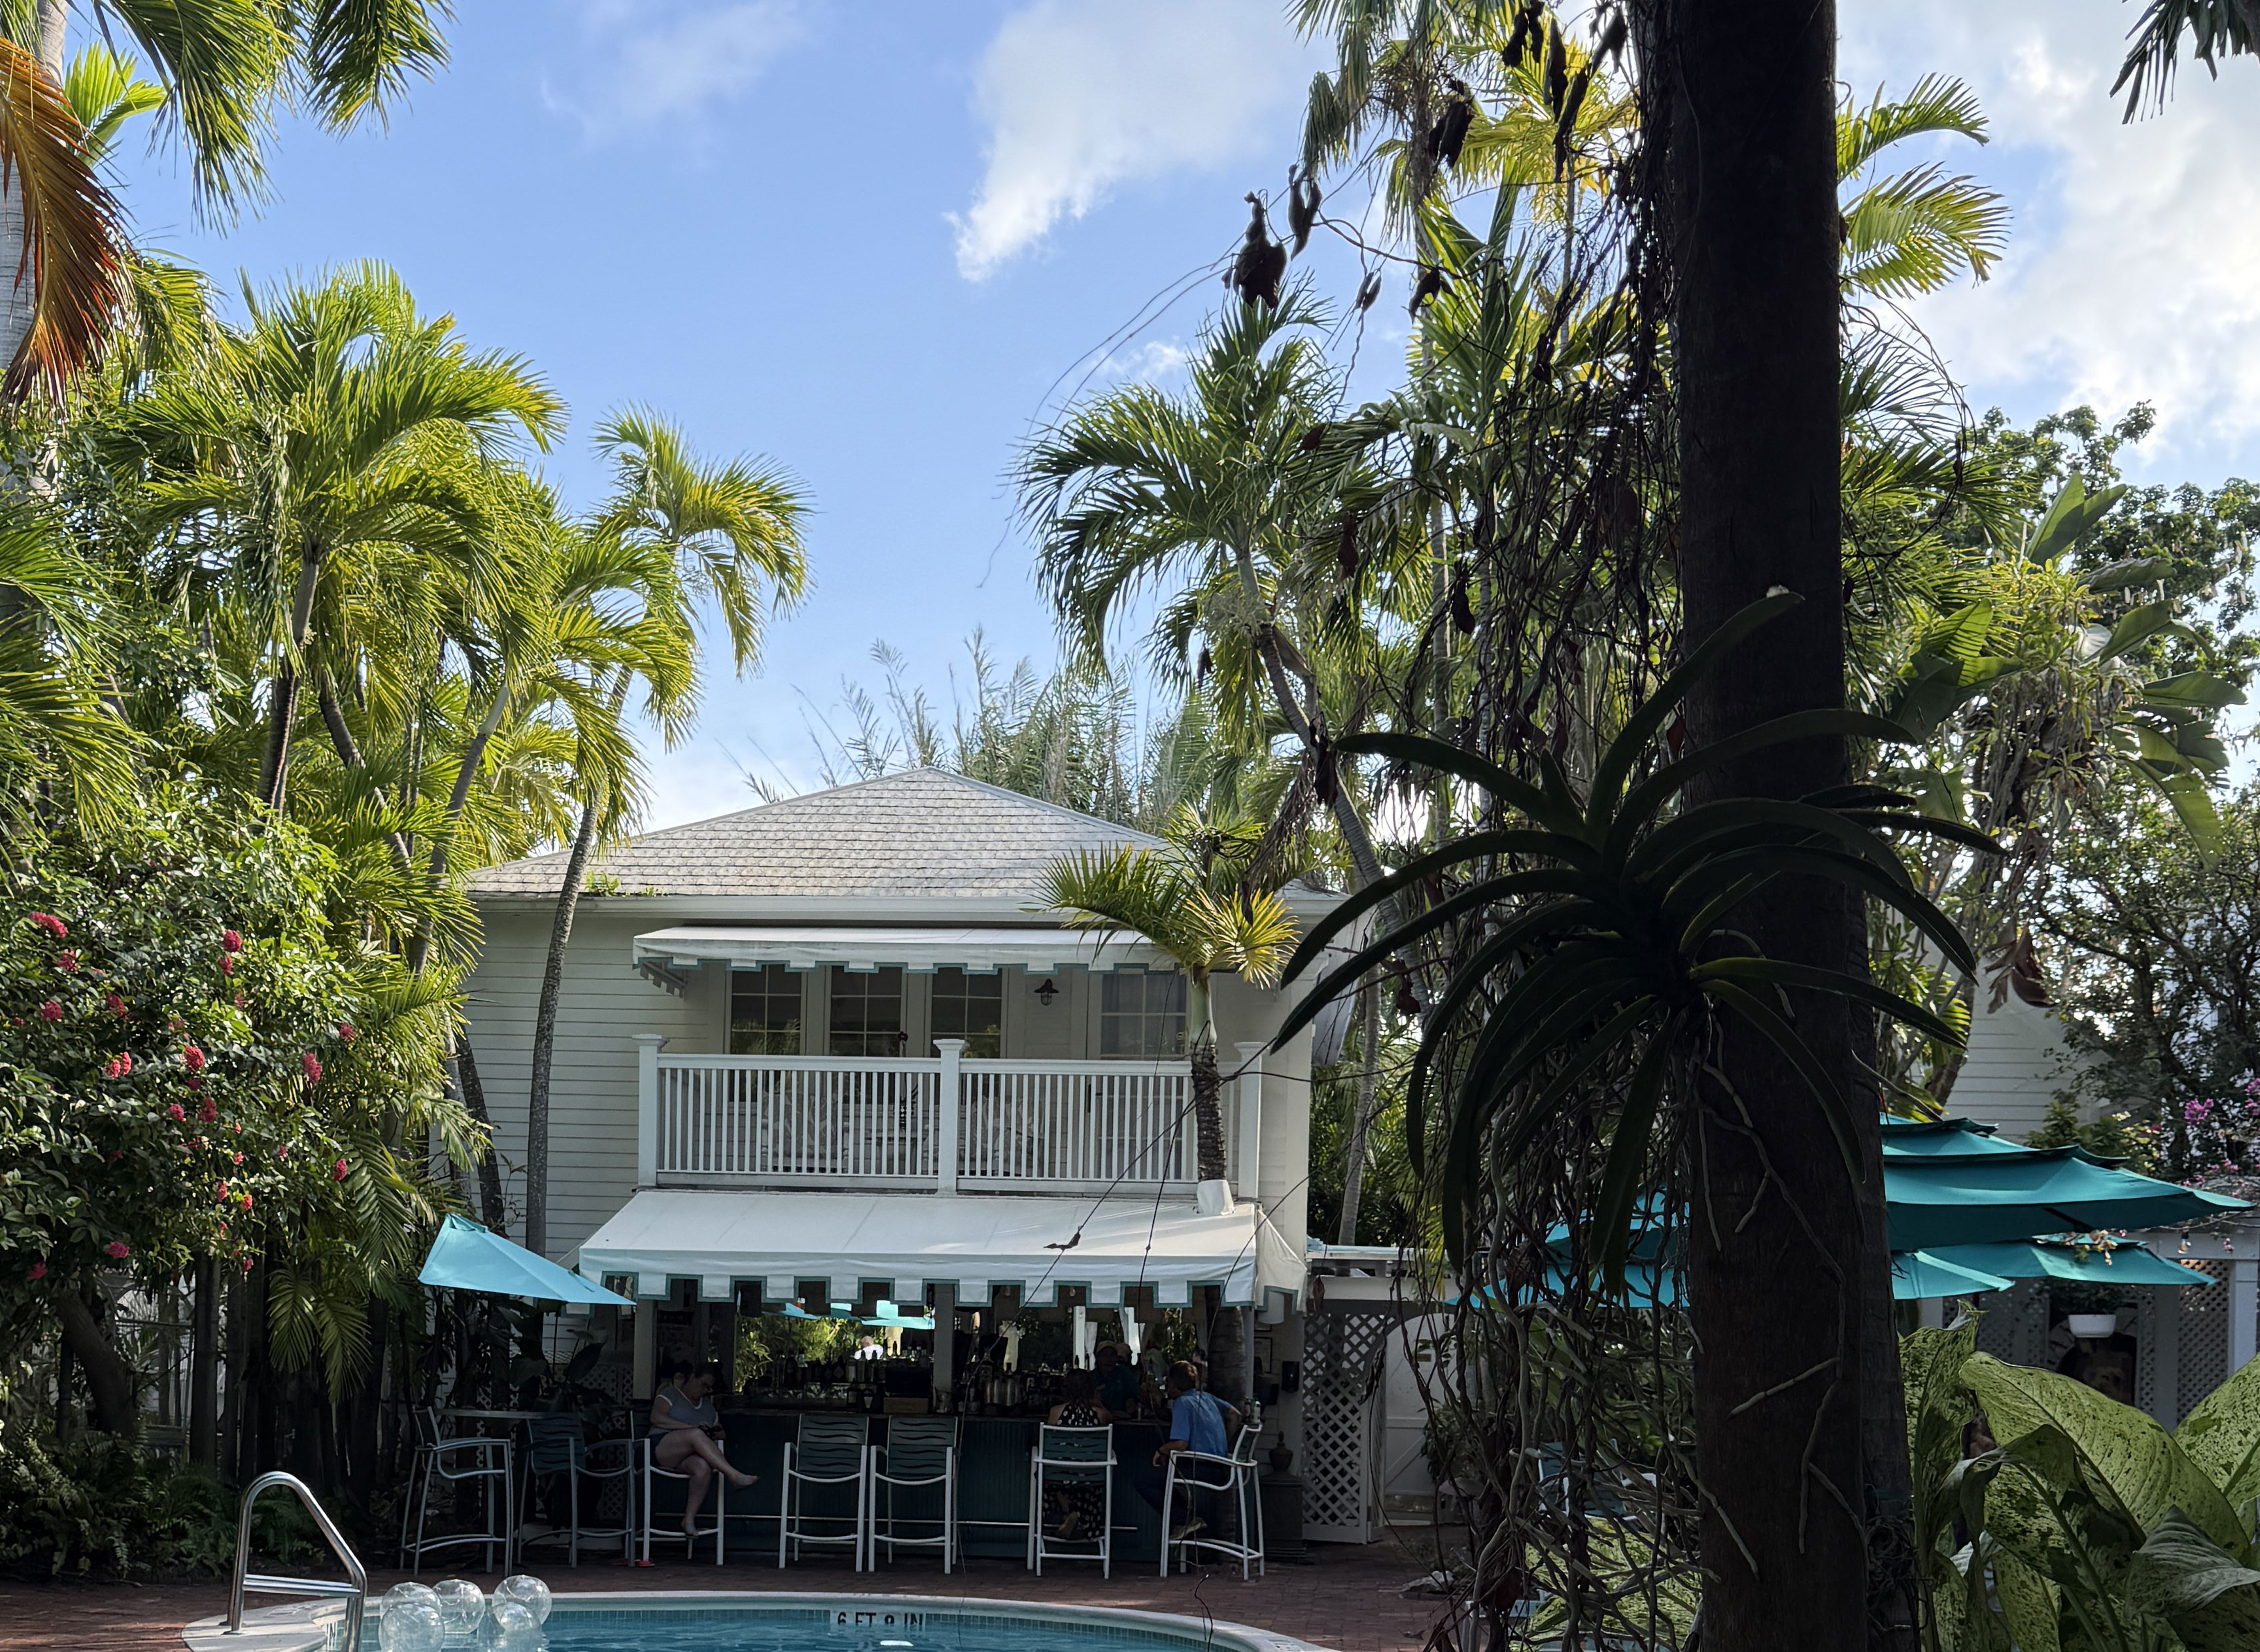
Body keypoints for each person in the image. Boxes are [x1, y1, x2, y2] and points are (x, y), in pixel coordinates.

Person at [1132, 1361, 1242, 1542]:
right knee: (1164, 1475)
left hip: (1202, 1467)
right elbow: (1235, 1414)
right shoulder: (1207, 1397)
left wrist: (1161, 1450)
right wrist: (1227, 1444)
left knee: (1145, 1481)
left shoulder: (1182, 1403)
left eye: (1168, 1384)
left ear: (1174, 1384)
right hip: (1222, 1467)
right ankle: (1185, 1519)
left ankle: (1184, 1519)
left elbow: (1180, 1444)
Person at [649, 1359, 756, 1537]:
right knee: (695, 1435)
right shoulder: (670, 1394)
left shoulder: (708, 1407)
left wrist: (711, 1431)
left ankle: (688, 1520)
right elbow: (657, 1418)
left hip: (687, 1455)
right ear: (692, 1378)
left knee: (702, 1467)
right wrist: (690, 1428)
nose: (705, 1390)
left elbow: (722, 1434)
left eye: (709, 1388)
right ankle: (732, 1474)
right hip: (661, 1446)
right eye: (704, 1385)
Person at [1042, 1368, 1110, 1541]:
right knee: (1083, 1479)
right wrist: (1099, 1403)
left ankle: (1069, 1511)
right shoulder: (1101, 1415)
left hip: (1059, 1476)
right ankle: (1077, 1514)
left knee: (1048, 1472)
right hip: (1091, 1476)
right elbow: (1111, 1418)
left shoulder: (1055, 1412)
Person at [1094, 1341, 1140, 1417]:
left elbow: (1136, 1393)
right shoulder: (1091, 1377)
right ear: (1097, 1358)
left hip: (1124, 1420)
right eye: (1105, 1356)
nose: (1109, 1360)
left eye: (1112, 1355)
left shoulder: (1124, 1373)